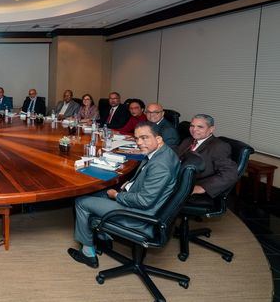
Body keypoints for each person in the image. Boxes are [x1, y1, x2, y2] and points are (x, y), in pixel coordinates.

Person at [68, 121, 180, 268]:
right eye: (137, 138)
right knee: (98, 194)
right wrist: (127, 186)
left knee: (81, 202)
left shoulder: (160, 165)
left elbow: (144, 201)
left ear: (158, 139)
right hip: (143, 201)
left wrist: (117, 195)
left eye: (144, 138)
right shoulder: (165, 152)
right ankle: (103, 237)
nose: (139, 143)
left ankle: (88, 254)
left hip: (141, 215)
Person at [177, 114, 238, 202]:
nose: (194, 130)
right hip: (177, 179)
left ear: (211, 129)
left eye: (200, 127)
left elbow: (229, 174)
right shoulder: (188, 140)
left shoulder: (219, 146)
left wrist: (202, 188)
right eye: (192, 126)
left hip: (192, 185)